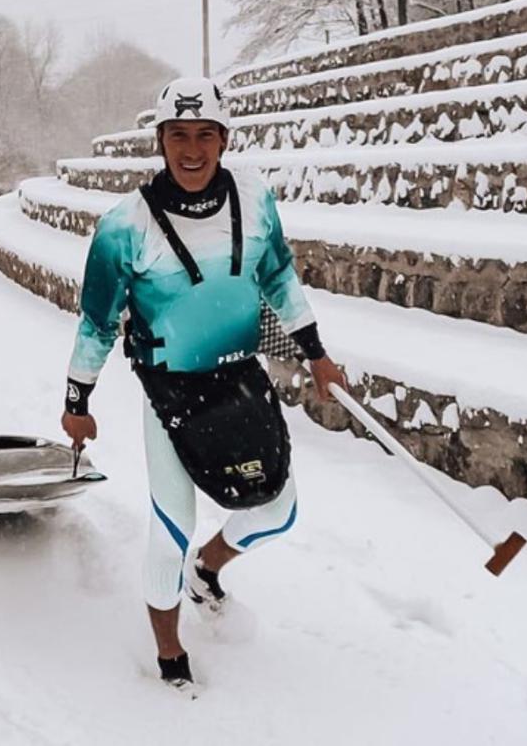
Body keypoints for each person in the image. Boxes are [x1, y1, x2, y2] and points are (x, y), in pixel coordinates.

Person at [59, 77, 347, 693]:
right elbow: (97, 323)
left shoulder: (256, 199)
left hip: (240, 373)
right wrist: (76, 401)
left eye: (205, 135)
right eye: (178, 136)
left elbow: (279, 280)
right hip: (170, 393)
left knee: (277, 507)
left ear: (224, 139)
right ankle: (169, 652)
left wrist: (317, 354)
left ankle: (207, 574)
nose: (192, 149)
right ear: (160, 141)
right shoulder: (124, 226)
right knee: (170, 531)